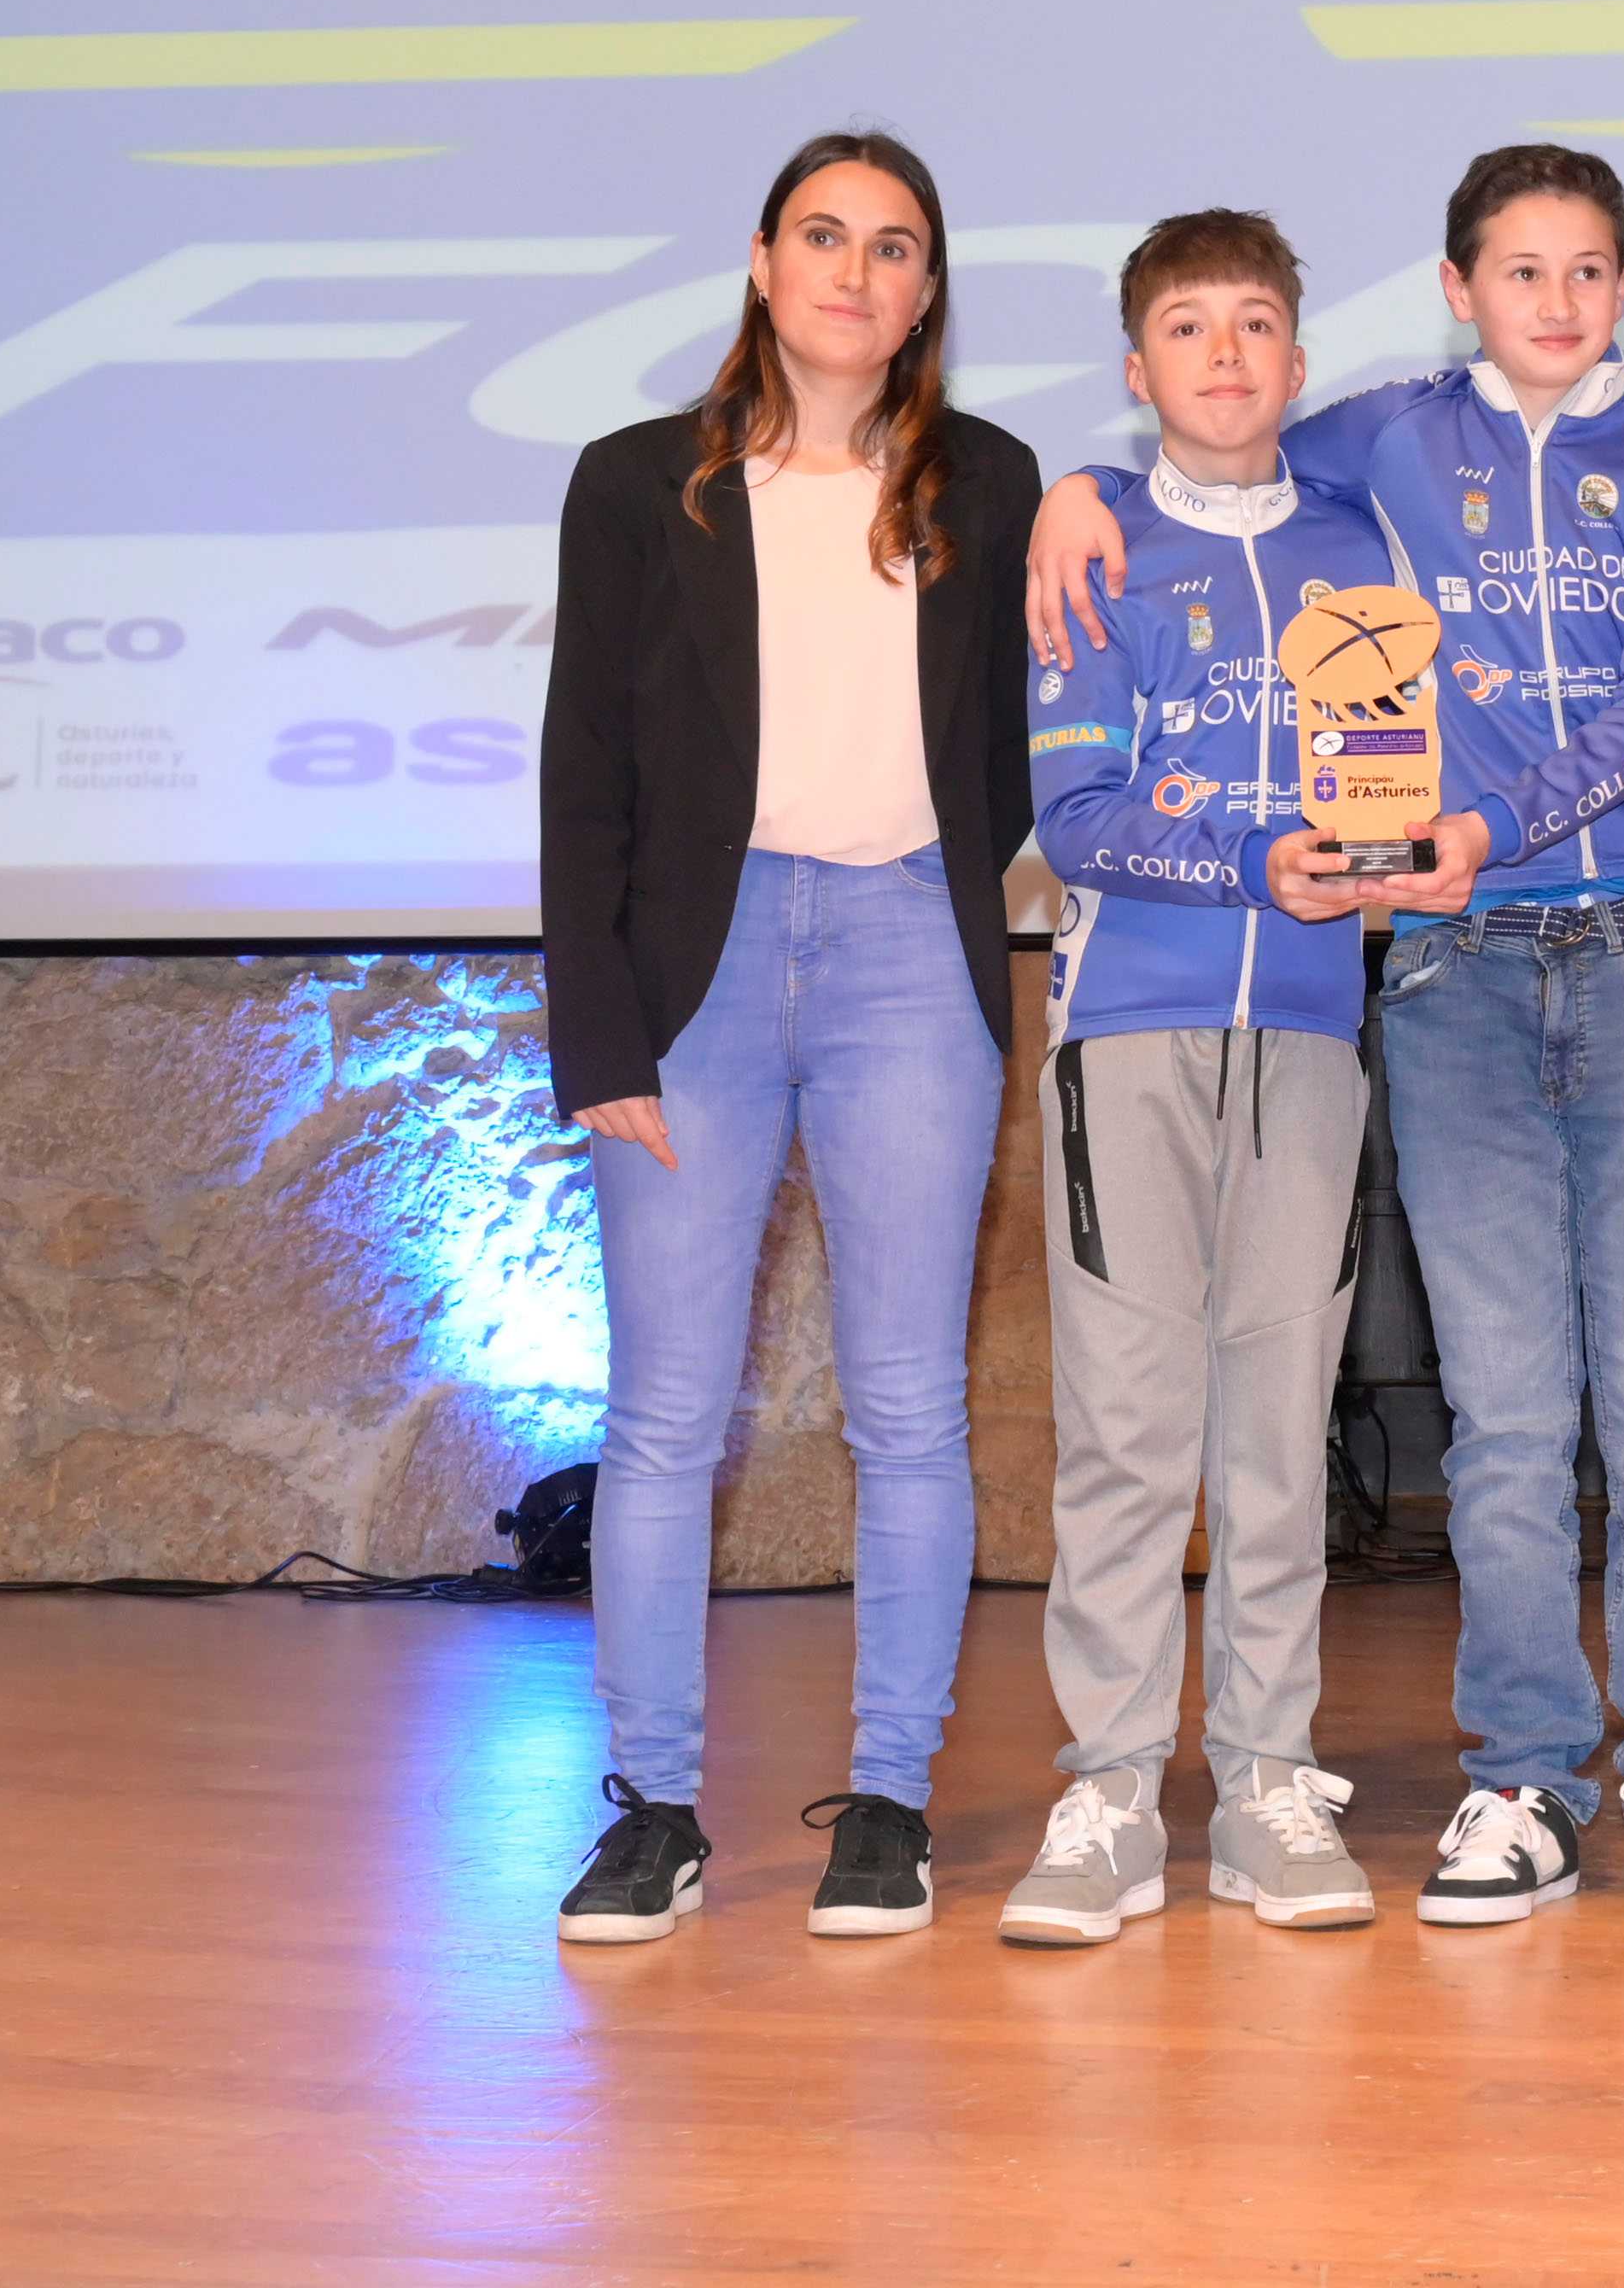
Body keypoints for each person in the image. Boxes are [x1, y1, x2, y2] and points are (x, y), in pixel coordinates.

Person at [1031, 144, 1624, 1935]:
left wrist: (1492, 822)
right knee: (1503, 1420)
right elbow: (1211, 457)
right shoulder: (1374, 447)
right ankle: (1518, 1771)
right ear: (1457, 286)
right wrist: (1067, 487)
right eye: (1522, 269)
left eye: (1591, 268)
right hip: (1448, 972)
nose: (1558, 301)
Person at [538, 131, 1042, 1946]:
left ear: (925, 289)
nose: (855, 268)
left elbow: (997, 760)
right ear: (763, 261)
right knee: (666, 1414)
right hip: (702, 972)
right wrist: (597, 1028)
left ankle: (888, 1798)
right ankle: (654, 1805)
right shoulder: (634, 486)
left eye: (894, 244)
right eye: (823, 234)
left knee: (909, 1406)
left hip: (913, 943)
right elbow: (582, 781)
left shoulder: (988, 477)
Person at [997, 213, 1397, 1947]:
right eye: (1186, 326)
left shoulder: (1361, 540)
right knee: (1129, 1433)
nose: (1225, 354)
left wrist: (1368, 861)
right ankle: (1103, 1789)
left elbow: (1400, 772)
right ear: (1137, 366)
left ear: (1298, 366)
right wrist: (1255, 858)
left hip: (1310, 1036)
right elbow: (1080, 813)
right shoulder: (1095, 550)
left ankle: (1262, 1778)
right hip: (1130, 1035)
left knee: (1279, 1435)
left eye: (1256, 325)